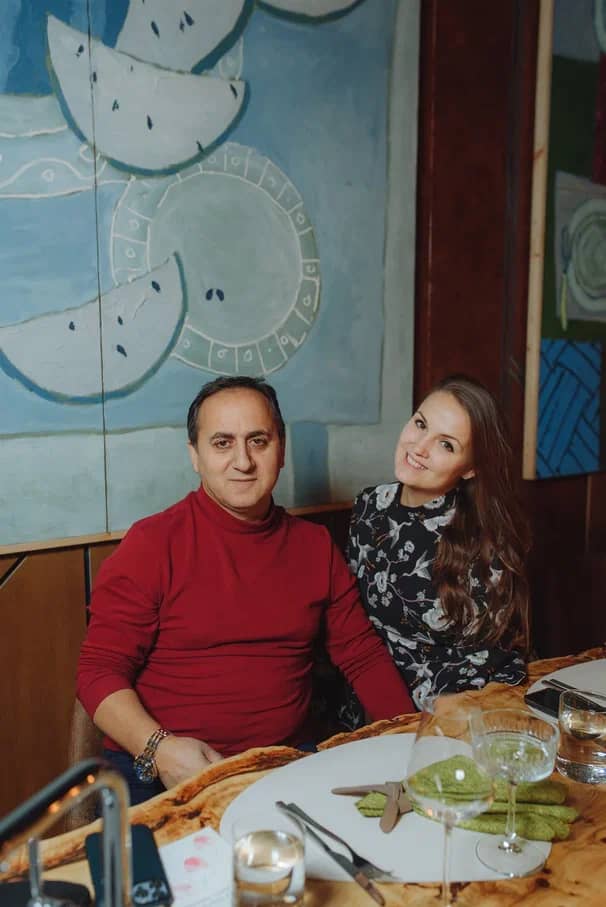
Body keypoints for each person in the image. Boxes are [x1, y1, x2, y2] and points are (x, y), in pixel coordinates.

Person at [77, 376, 414, 804]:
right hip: (164, 766)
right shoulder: (151, 544)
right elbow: (97, 672)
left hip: (284, 765)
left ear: (281, 450)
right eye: (222, 443)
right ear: (195, 456)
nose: (243, 461)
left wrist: (414, 742)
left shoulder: (313, 546)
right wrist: (160, 749)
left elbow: (361, 655)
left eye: (258, 441)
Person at [339, 374, 530, 724]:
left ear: (470, 468)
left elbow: (493, 657)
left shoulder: (482, 537)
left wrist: (447, 716)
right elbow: (353, 621)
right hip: (371, 700)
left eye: (446, 445)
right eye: (420, 424)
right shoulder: (368, 505)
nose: (419, 447)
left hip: (453, 712)